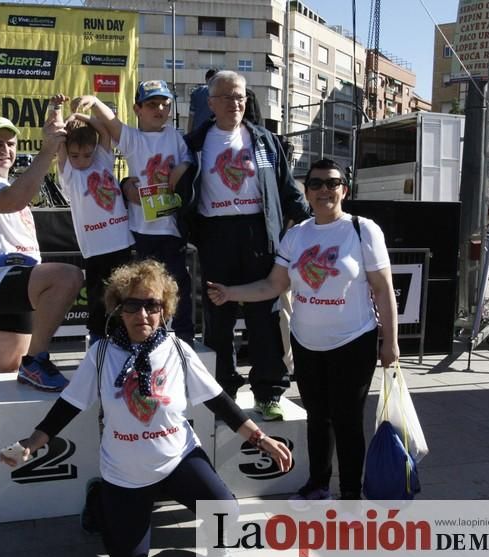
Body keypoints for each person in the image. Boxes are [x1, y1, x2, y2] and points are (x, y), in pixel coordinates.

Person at [2, 259, 292, 557]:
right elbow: (69, 405)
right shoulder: (101, 355)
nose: (143, 315)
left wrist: (260, 438)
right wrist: (33, 441)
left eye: (152, 305)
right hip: (125, 472)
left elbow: (218, 402)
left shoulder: (178, 350)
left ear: (164, 309)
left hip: (177, 459)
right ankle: (100, 498)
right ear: (118, 309)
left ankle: (212, 540)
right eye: (133, 305)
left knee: (225, 510)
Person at [207, 158, 399, 500]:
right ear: (306, 191)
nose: (324, 190)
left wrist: (391, 343)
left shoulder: (362, 229)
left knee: (348, 420)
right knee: (317, 417)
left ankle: (352, 492)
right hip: (307, 343)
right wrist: (231, 293)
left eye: (332, 183)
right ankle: (318, 483)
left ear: (344, 189)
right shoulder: (296, 235)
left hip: (354, 340)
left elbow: (383, 289)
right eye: (316, 184)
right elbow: (272, 286)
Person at [177, 70, 310, 420]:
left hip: (258, 233)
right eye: (227, 96)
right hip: (216, 235)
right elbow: (170, 184)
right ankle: (223, 392)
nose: (236, 103)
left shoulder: (264, 139)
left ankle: (269, 391)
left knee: (264, 315)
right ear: (211, 103)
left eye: (240, 96)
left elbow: (286, 188)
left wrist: (314, 222)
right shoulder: (193, 143)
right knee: (218, 316)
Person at [0, 113, 83, 391]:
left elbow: (17, 198)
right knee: (68, 277)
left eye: (11, 144)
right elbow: (14, 200)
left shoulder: (8, 185)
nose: (5, 150)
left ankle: (14, 430)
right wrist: (48, 150)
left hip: (21, 288)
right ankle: (36, 360)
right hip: (2, 281)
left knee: (9, 383)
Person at [72, 81, 195, 344]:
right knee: (143, 290)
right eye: (152, 104)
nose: (159, 109)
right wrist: (94, 102)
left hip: (172, 228)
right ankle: (145, 338)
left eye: (164, 104)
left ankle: (184, 339)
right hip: (140, 231)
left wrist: (181, 167)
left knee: (178, 285)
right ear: (137, 109)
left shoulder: (174, 135)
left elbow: (189, 160)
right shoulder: (133, 139)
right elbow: (113, 124)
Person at [52, 94, 133, 343]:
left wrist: (81, 116)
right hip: (96, 248)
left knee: (125, 294)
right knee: (99, 298)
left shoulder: (102, 161)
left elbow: (104, 132)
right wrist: (62, 114)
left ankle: (126, 339)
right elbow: (58, 140)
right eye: (75, 155)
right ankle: (98, 342)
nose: (81, 160)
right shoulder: (69, 175)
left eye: (86, 155)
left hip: (122, 241)